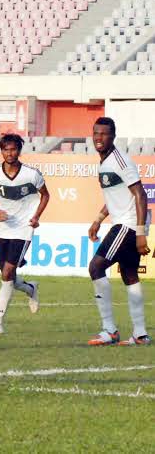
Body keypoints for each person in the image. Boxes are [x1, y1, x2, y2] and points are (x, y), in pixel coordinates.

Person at [0, 134, 50, 334]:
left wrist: (36, 217)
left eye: (13, 149)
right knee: (7, 275)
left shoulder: (31, 174)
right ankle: (30, 289)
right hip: (3, 226)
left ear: (19, 150)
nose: (10, 153)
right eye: (6, 149)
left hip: (24, 228)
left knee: (8, 272)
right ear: (1, 151)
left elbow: (45, 195)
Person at [87, 117, 151, 346]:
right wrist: (98, 219)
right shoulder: (104, 162)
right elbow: (116, 194)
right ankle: (141, 334)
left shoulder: (119, 161)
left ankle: (110, 330)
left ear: (113, 136)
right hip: (125, 221)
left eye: (104, 134)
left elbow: (140, 195)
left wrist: (141, 232)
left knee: (96, 267)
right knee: (129, 274)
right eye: (96, 133)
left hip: (129, 223)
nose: (98, 138)